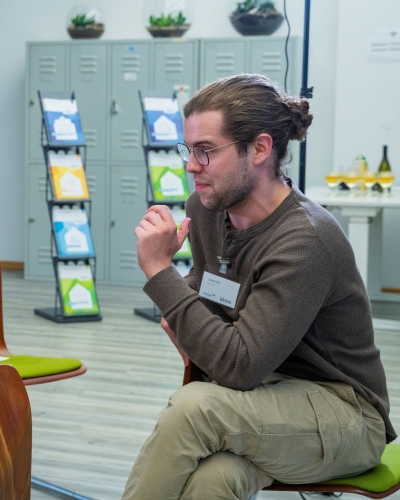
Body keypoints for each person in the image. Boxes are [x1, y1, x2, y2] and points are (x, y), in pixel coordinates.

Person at [124, 73, 394, 500]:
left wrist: (161, 272)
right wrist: (184, 300)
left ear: (260, 149)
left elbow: (239, 365)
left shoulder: (305, 239)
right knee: (215, 479)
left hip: (346, 414)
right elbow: (214, 294)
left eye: (205, 150)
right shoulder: (207, 209)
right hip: (264, 396)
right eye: (188, 149)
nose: (191, 165)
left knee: (194, 409)